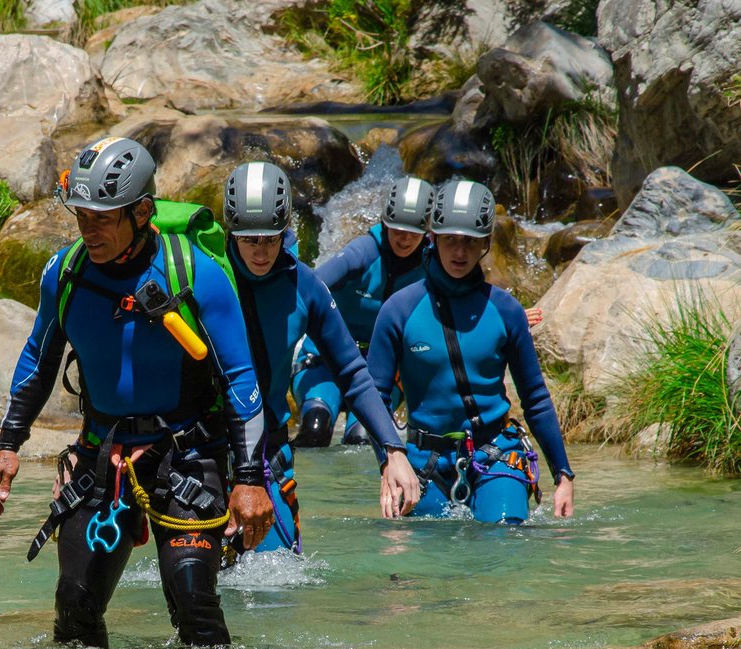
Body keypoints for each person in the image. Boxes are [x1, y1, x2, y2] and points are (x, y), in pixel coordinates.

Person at [0, 137, 273, 648]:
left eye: (102, 217)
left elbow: (240, 378)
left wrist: (249, 479)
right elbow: (39, 358)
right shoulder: (65, 274)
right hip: (103, 457)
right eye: (82, 216)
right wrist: (9, 443)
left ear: (141, 212)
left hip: (189, 456)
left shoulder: (197, 274)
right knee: (74, 608)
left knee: (193, 601)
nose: (87, 229)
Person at [221, 161, 421, 553]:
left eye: (271, 239)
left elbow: (353, 372)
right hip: (205, 454)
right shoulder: (206, 278)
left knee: (274, 589)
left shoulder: (305, 286)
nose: (261, 252)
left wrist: (392, 451)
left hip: (269, 456)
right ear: (231, 231)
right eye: (250, 240)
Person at [367, 178, 575, 523]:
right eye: (450, 240)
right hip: (422, 461)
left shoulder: (506, 310)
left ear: (486, 243)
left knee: (507, 541)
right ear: (433, 238)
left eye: (469, 242)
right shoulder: (398, 310)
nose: (459, 252)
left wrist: (563, 475)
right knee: (411, 567)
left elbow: (535, 396)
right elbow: (375, 396)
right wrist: (389, 459)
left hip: (496, 454)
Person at [297, 176, 435, 446]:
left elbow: (461, 300)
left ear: (427, 231)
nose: (404, 239)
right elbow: (309, 287)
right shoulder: (364, 252)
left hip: (381, 370)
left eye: (413, 232)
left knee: (363, 439)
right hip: (325, 360)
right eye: (397, 229)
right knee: (315, 430)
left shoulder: (431, 265)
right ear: (385, 223)